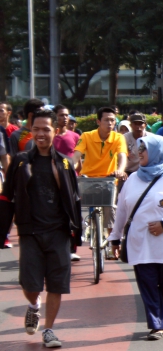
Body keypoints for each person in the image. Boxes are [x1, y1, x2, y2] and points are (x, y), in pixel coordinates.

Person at [0, 109, 82, 348]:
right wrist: (2, 230)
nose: (41, 133)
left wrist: (76, 233)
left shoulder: (64, 163)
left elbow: (74, 198)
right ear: (30, 130)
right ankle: (34, 306)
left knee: (56, 284)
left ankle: (49, 330)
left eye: (46, 129)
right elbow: (7, 197)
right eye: (36, 129)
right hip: (29, 232)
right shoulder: (21, 161)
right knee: (30, 284)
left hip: (58, 232)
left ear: (55, 131)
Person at [109, 134, 163, 341]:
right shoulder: (132, 180)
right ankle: (156, 324)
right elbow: (121, 211)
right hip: (140, 244)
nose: (139, 153)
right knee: (147, 286)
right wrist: (115, 237)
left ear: (158, 152)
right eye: (139, 150)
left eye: (143, 149)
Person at [72, 107, 128, 251]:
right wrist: (69, 168)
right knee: (75, 205)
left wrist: (120, 171)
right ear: (98, 121)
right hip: (88, 179)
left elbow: (122, 156)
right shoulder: (86, 136)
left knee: (109, 209)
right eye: (106, 120)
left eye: (112, 120)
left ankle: (112, 243)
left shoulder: (118, 137)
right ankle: (83, 229)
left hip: (108, 180)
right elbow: (76, 155)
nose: (110, 123)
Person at [52, 105, 81, 261]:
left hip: (72, 180)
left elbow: (79, 159)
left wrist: (77, 171)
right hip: (53, 180)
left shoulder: (75, 136)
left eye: (67, 115)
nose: (65, 118)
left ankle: (71, 248)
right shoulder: (50, 137)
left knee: (72, 214)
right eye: (61, 115)